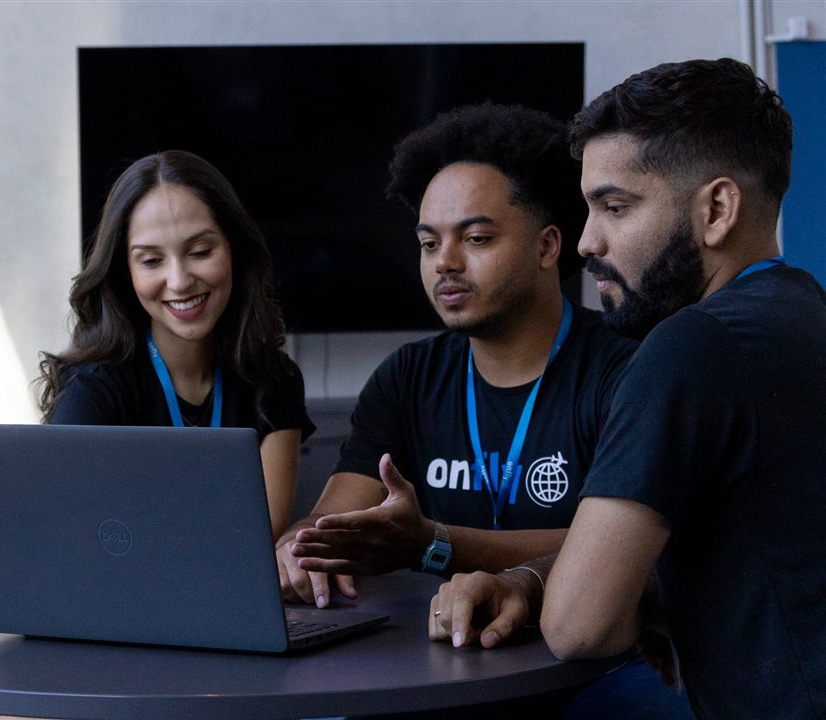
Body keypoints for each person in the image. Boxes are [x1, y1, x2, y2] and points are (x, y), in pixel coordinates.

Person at [430, 58, 826, 719]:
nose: (586, 242)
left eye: (615, 206)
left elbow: (580, 626)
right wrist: (531, 580)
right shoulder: (804, 314)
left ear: (717, 209)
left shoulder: (690, 347)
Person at [277, 104, 689, 717]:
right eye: (427, 243)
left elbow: (619, 553)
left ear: (549, 245)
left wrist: (432, 544)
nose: (444, 261)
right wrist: (300, 546)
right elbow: (338, 518)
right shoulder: (406, 377)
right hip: (436, 668)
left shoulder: (627, 368)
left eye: (475, 239)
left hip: (589, 675)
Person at [37, 150, 314, 538]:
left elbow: (257, 535)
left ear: (234, 249)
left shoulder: (275, 381)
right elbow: (80, 538)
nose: (179, 280)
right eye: (151, 261)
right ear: (125, 271)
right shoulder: (94, 391)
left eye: (200, 252)